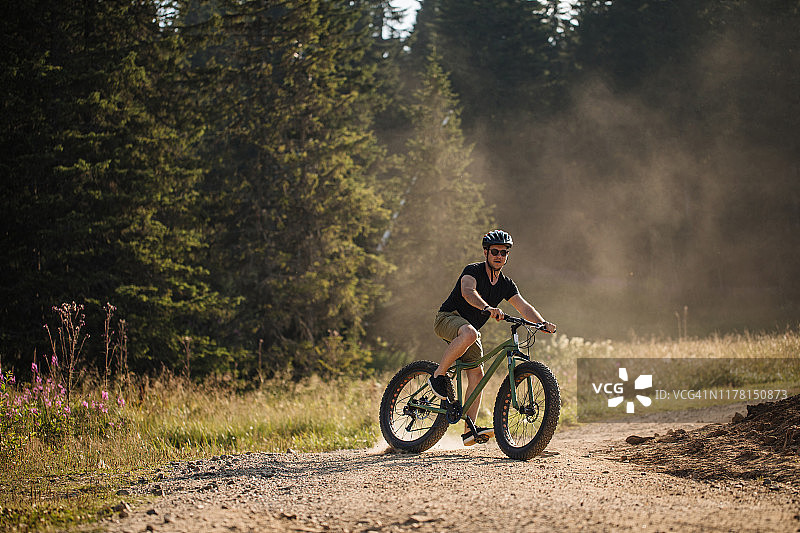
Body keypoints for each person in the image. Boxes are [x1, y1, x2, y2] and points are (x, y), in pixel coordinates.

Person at [428, 229, 557, 446]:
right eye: (495, 251)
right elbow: (468, 292)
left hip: (469, 332)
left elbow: (524, 307)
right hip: (448, 319)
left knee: (477, 375)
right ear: (486, 252)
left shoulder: (506, 284)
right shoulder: (473, 270)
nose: (499, 256)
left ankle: (469, 432)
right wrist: (487, 308)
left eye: (503, 253)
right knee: (470, 333)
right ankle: (438, 376)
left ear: (507, 256)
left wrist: (542, 323)